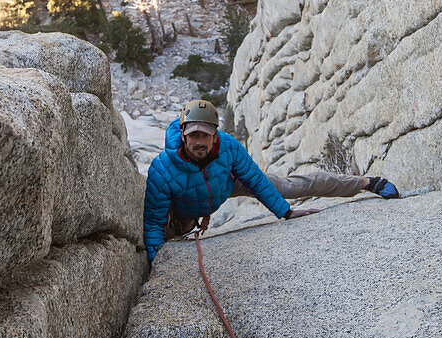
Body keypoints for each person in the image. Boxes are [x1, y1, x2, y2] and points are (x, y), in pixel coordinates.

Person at [142, 99, 400, 262]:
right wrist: (156, 265)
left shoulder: (229, 147)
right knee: (165, 243)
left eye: (205, 135)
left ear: (215, 135)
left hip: (226, 184)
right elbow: (153, 222)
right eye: (194, 135)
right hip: (183, 213)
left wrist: (284, 212)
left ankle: (366, 183)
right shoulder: (162, 169)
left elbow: (254, 179)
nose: (200, 142)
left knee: (290, 186)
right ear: (183, 134)